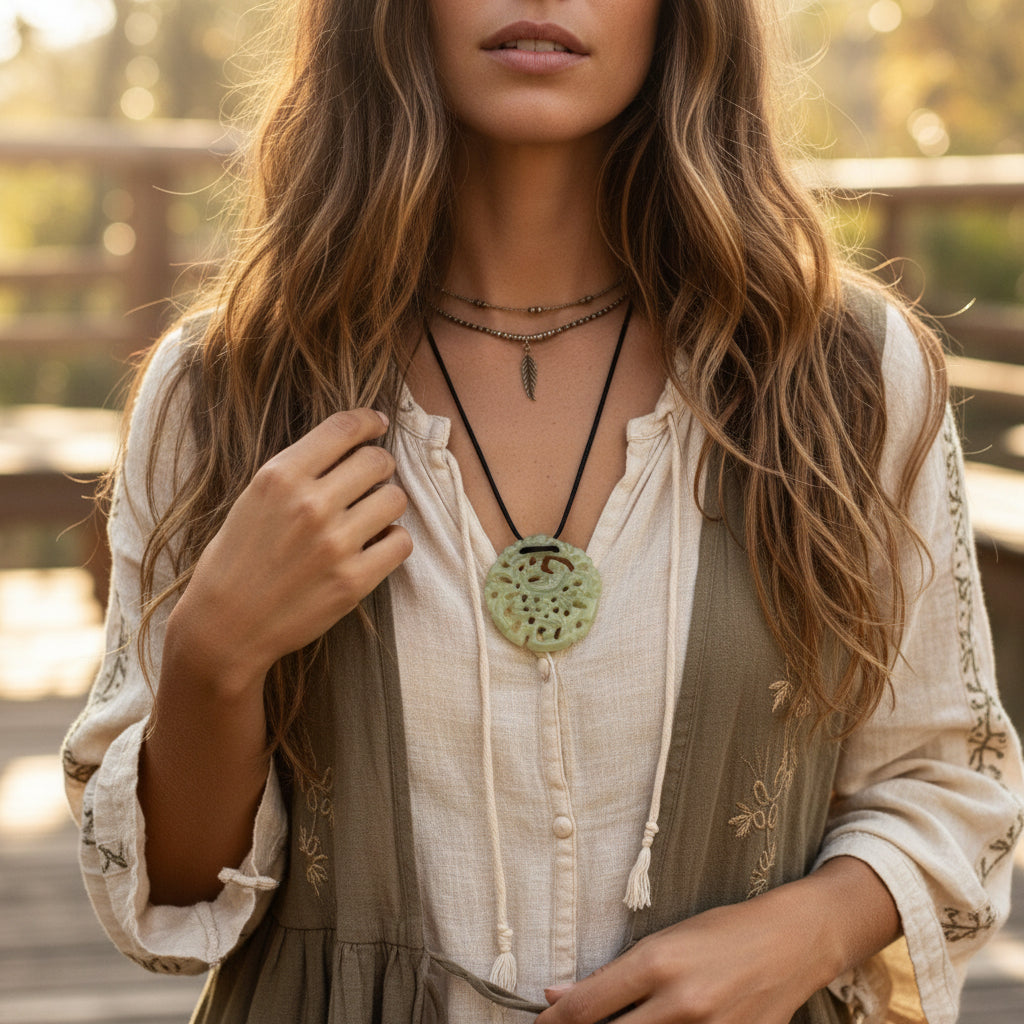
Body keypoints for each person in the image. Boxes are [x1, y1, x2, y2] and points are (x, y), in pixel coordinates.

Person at [62, 1, 1023, 1021]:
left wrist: (806, 931)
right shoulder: (225, 389)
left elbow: (947, 784)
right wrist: (212, 656)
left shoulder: (841, 376)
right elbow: (170, 898)